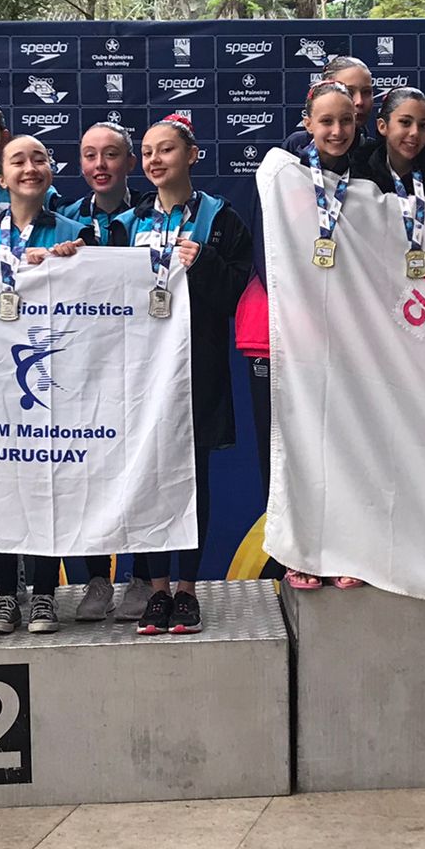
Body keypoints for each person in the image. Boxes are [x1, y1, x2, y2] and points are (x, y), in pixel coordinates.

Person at [0, 134, 99, 634]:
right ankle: (3, 597)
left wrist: (74, 259)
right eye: (17, 160)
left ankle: (43, 595)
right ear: (1, 176)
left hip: (53, 377)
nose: (29, 167)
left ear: (50, 171)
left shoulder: (75, 232)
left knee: (47, 483)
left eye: (39, 158)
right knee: (1, 482)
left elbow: (96, 302)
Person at [119, 117, 253, 632]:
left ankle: (188, 589)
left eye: (166, 150)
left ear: (192, 155)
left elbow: (235, 297)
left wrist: (207, 262)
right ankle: (155, 590)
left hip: (197, 369)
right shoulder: (128, 222)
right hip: (140, 375)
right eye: (148, 152)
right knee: (150, 479)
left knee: (192, 480)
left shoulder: (221, 219)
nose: (155, 160)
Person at [276, 83, 367, 593]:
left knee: (354, 444)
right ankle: (303, 551)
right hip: (303, 330)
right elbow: (274, 255)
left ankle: (352, 549)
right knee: (303, 442)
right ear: (307, 122)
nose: (336, 131)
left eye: (346, 121)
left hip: (360, 332)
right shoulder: (281, 172)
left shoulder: (371, 172)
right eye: (326, 121)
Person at [59, 119, 143, 618]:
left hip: (140, 366)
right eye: (90, 156)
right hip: (83, 367)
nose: (99, 166)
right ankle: (95, 579)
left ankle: (136, 575)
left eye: (110, 155)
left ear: (130, 163)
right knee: (88, 471)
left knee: (137, 468)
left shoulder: (155, 217)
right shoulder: (67, 221)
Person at [319, 53, 376, 135]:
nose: (359, 102)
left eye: (366, 92)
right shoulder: (298, 144)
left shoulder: (379, 147)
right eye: (348, 92)